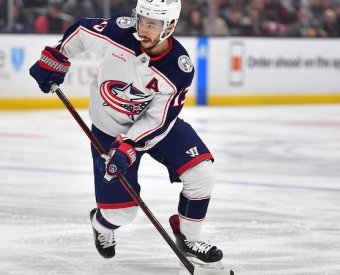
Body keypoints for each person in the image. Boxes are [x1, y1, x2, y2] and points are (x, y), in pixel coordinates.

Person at [29, 0, 223, 265]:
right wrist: (58, 55)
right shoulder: (119, 32)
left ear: (170, 26)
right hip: (108, 129)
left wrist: (129, 145)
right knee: (122, 215)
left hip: (154, 129)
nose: (143, 29)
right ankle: (100, 224)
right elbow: (83, 32)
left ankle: (188, 238)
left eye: (152, 25)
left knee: (202, 174)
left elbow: (159, 119)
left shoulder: (179, 68)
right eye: (142, 20)